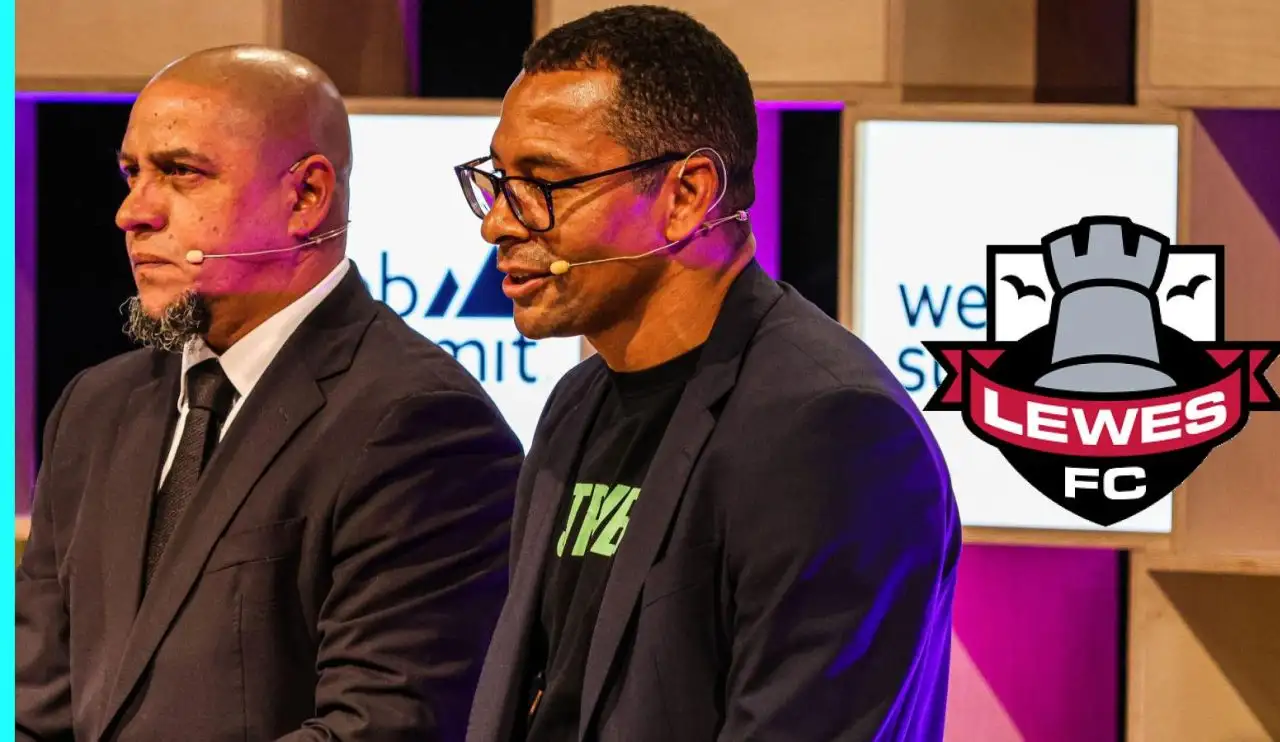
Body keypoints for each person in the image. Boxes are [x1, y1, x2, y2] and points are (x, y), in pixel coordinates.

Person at [457, 6, 961, 742]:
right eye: (499, 181)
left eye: (543, 183)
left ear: (686, 194)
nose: (498, 223)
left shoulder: (832, 430)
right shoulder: (575, 400)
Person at [16, 46, 523, 742]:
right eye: (132, 174)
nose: (132, 213)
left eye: (180, 173)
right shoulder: (94, 409)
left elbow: (379, 726)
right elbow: (38, 703)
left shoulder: (423, 424)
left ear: (306, 198)